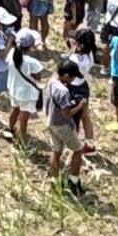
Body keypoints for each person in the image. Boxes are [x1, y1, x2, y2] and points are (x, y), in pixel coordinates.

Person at [45, 56, 91, 195]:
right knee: (78, 150)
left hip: (51, 121)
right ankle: (74, 181)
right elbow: (66, 114)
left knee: (56, 150)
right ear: (65, 75)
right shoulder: (64, 92)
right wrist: (80, 106)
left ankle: (54, 180)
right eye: (72, 78)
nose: (72, 81)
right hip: (62, 125)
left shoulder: (52, 81)